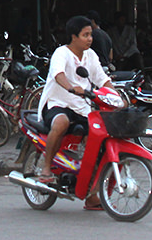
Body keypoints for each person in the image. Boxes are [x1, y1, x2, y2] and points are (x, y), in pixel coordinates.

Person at [36, 15, 113, 209]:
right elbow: (58, 74)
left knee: (100, 138)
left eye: (90, 35)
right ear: (73, 37)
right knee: (61, 123)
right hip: (57, 103)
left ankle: (92, 193)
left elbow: (102, 79)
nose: (89, 39)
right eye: (85, 35)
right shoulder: (61, 53)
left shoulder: (91, 56)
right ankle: (46, 168)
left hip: (82, 107)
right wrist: (70, 88)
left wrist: (116, 96)